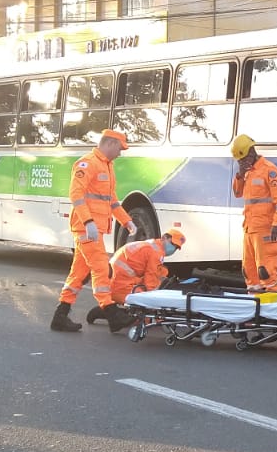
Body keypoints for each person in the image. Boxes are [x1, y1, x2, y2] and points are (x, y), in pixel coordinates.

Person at [52, 129, 138, 332]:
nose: (120, 153)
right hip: (86, 228)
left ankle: (60, 315)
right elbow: (76, 194)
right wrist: (88, 221)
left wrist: (126, 221)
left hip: (93, 228)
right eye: (120, 148)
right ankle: (111, 312)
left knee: (78, 274)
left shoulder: (107, 167)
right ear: (110, 143)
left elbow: (112, 201)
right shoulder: (87, 163)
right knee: (101, 268)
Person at [87, 223, 186, 328]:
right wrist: (154, 305)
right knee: (142, 305)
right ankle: (109, 312)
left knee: (151, 287)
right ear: (164, 238)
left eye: (176, 248)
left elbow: (152, 272)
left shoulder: (152, 245)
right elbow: (150, 280)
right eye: (173, 244)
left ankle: (112, 310)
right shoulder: (156, 252)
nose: (173, 249)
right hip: (120, 284)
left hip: (117, 279)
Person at [229, 133, 277, 292]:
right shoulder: (247, 172)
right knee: (249, 272)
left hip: (265, 230)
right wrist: (240, 175)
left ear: (252, 151)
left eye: (243, 158)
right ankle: (253, 304)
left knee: (266, 272)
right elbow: (237, 193)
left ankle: (273, 306)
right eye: (239, 160)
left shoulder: (270, 171)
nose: (242, 162)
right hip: (249, 229)